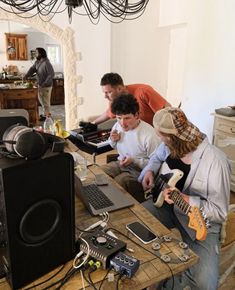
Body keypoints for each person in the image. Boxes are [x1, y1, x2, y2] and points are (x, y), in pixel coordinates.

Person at [138, 107, 231, 290]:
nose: (160, 140)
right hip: (167, 206)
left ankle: (168, 279)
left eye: (160, 135)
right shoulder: (170, 145)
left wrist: (187, 200)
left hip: (200, 222)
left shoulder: (215, 161)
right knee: (134, 222)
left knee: (205, 285)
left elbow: (220, 212)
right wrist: (148, 170)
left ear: (171, 136)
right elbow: (156, 157)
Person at [101, 94, 161, 203]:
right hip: (121, 162)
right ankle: (100, 202)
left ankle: (111, 208)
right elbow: (112, 145)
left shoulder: (149, 135)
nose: (122, 123)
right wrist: (113, 140)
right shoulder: (117, 126)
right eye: (119, 118)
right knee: (99, 173)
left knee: (119, 182)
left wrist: (134, 161)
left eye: (127, 118)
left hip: (141, 171)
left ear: (137, 115)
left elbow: (156, 164)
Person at [93, 72, 171, 126]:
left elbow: (167, 112)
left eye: (108, 92)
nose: (105, 96)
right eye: (104, 93)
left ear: (119, 88)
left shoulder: (144, 91)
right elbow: (109, 113)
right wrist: (93, 123)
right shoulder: (114, 99)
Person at [25, 47, 54, 121]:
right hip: (40, 85)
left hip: (46, 86)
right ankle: (45, 115)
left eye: (36, 53)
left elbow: (51, 74)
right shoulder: (37, 62)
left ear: (40, 54)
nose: (35, 55)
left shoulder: (46, 63)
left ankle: (48, 118)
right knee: (42, 101)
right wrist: (27, 75)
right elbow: (32, 69)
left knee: (46, 102)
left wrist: (44, 83)